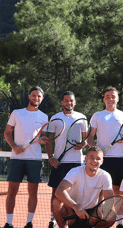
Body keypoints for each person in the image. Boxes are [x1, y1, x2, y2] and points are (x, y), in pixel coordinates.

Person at [3, 86, 50, 228]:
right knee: (12, 191)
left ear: (41, 99)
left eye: (39, 96)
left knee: (33, 193)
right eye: (34, 95)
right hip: (17, 159)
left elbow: (43, 137)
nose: (36, 98)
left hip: (34, 160)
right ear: (29, 96)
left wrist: (42, 141)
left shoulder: (44, 117)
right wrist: (14, 146)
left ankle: (29, 222)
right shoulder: (17, 113)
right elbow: (7, 132)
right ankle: (9, 222)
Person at [87, 86, 123, 228]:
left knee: (119, 191)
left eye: (113, 96)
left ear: (117, 98)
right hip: (102, 160)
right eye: (107, 96)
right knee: (101, 191)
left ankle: (119, 222)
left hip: (119, 159)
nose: (110, 98)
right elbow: (90, 137)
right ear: (104, 99)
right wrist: (96, 151)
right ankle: (101, 219)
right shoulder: (97, 116)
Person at [47, 91, 89, 228]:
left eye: (71, 100)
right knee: (55, 193)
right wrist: (50, 157)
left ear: (74, 102)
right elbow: (49, 140)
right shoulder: (55, 118)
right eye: (66, 100)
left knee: (74, 194)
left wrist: (82, 144)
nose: (69, 103)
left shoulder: (82, 118)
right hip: (59, 163)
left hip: (76, 163)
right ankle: (53, 219)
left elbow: (86, 139)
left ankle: (73, 220)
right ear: (62, 102)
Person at [55, 147, 114, 228]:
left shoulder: (105, 176)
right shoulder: (75, 171)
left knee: (112, 215)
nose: (94, 161)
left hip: (92, 211)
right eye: (91, 157)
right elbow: (59, 191)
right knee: (56, 202)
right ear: (86, 158)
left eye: (98, 158)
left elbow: (109, 200)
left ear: (102, 161)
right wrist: (76, 207)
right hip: (72, 209)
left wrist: (99, 210)